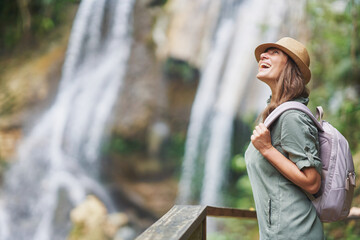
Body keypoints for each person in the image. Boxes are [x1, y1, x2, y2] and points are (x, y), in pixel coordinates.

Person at [244, 37, 324, 239]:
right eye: (265, 52)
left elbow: (313, 182)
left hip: (295, 232)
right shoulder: (276, 114)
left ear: (291, 66)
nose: (263, 55)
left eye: (274, 52)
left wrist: (267, 149)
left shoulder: (292, 117)